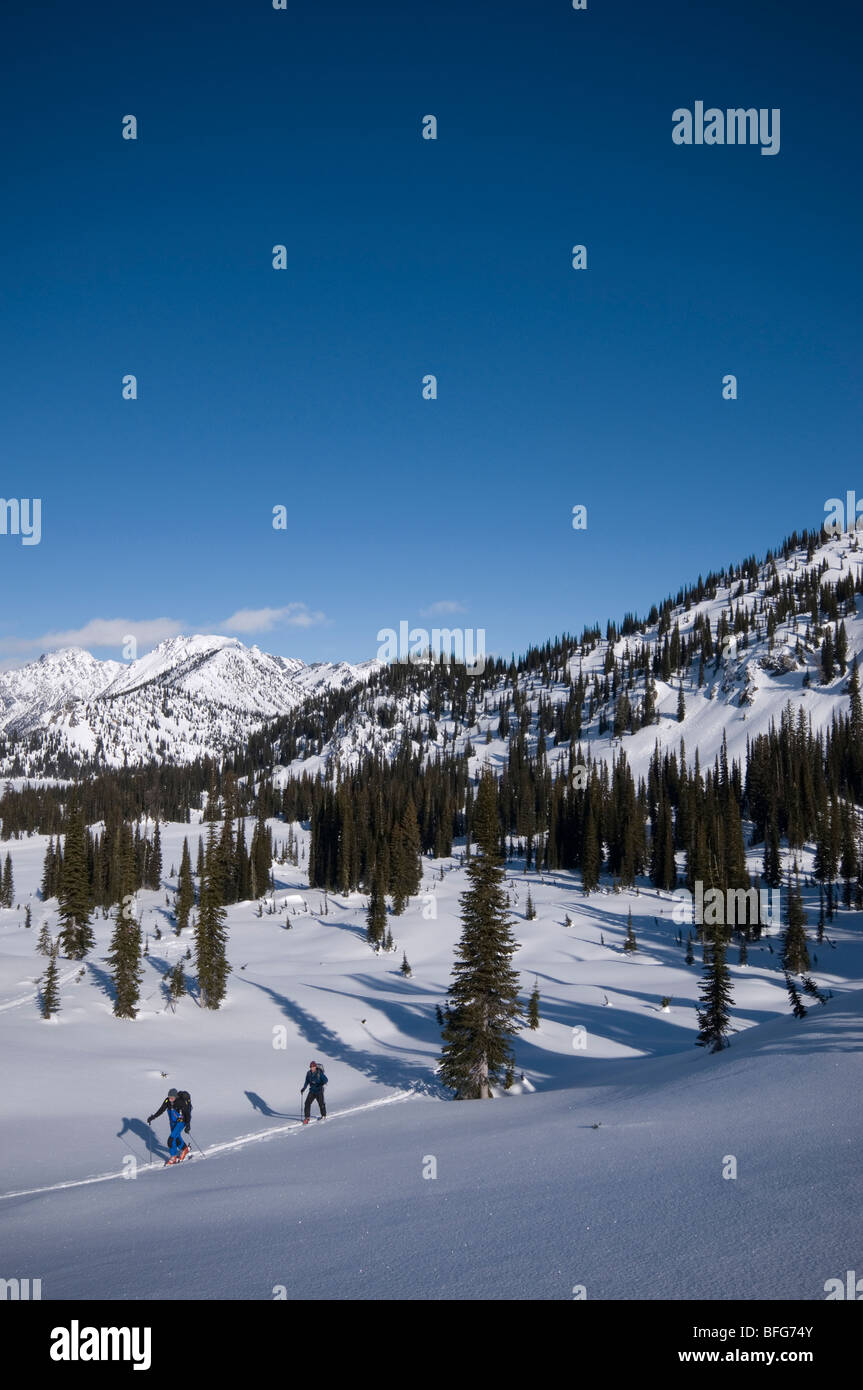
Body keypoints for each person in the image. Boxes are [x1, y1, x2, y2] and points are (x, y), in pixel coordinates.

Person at [147, 1086, 192, 1163]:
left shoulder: (180, 1102)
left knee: (170, 1140)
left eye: (172, 1097)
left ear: (176, 1096)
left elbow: (187, 1114)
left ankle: (173, 1157)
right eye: (169, 1097)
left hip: (181, 1122)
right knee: (176, 1138)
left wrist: (188, 1125)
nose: (170, 1099)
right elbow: (161, 1110)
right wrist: (153, 1117)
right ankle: (185, 1149)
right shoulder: (167, 1101)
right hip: (172, 1122)